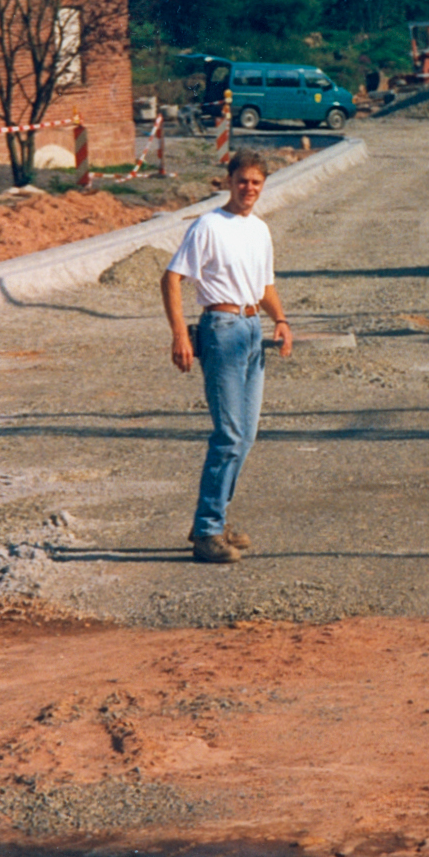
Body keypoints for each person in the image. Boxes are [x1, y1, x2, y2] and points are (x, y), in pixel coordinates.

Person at [160, 150, 293, 564]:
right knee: (229, 436)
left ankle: (213, 519)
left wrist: (281, 319)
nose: (248, 188)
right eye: (242, 180)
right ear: (228, 180)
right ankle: (207, 530)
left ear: (263, 184)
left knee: (245, 437)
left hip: (252, 330)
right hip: (221, 330)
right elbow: (172, 278)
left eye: (256, 181)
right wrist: (180, 334)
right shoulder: (208, 226)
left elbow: (264, 285)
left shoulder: (260, 230)